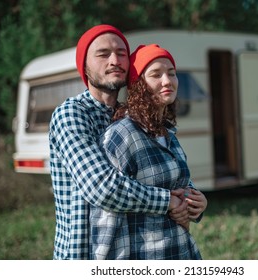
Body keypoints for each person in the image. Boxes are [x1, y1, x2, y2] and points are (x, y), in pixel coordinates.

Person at [49, 25, 189, 260]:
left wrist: (192, 197)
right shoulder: (72, 114)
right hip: (83, 252)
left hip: (133, 249)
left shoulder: (132, 118)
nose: (115, 60)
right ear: (83, 65)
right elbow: (102, 188)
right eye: (103, 54)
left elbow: (162, 170)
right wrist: (169, 201)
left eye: (122, 53)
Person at [91, 44, 208, 260]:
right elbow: (106, 211)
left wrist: (196, 203)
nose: (167, 81)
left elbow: (178, 186)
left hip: (181, 252)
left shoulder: (168, 133)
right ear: (138, 84)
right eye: (156, 74)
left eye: (172, 73)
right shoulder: (123, 134)